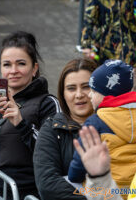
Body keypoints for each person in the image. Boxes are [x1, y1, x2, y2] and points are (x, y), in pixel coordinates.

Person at [0, 31, 60, 199]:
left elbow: (54, 152)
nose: (13, 71)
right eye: (7, 64)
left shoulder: (48, 103)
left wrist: (22, 123)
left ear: (34, 68)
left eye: (21, 64)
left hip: (27, 193)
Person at [68, 60, 136, 189]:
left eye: (94, 91)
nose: (90, 95)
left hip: (107, 189)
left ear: (109, 94)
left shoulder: (95, 122)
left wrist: (73, 175)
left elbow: (79, 165)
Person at [33, 58, 97, 200]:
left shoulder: (115, 123)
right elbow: (47, 184)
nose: (79, 94)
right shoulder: (52, 129)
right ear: (63, 93)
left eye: (86, 86)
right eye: (71, 88)